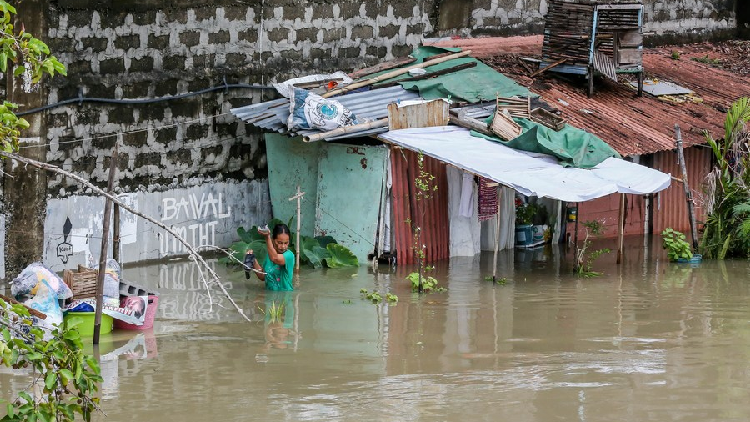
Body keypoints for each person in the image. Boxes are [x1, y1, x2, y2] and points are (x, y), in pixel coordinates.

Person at [248, 223, 294, 291]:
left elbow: (275, 258)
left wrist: (267, 237)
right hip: (269, 299)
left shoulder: (289, 255)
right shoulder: (269, 255)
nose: (283, 247)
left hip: (284, 299)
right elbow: (263, 276)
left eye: (286, 243)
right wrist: (253, 260)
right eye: (280, 242)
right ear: (273, 240)